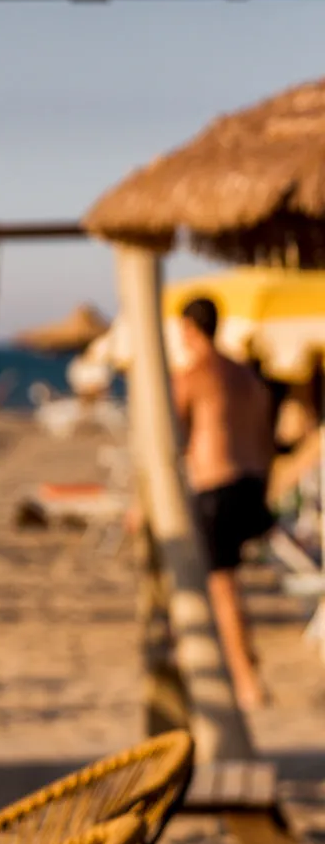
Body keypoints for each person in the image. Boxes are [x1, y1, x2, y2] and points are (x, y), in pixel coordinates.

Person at [173, 292, 277, 713]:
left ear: (189, 329)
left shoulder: (195, 374)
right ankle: (244, 658)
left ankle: (245, 680)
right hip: (255, 488)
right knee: (229, 581)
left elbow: (172, 435)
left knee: (222, 587)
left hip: (217, 487)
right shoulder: (246, 376)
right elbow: (266, 438)